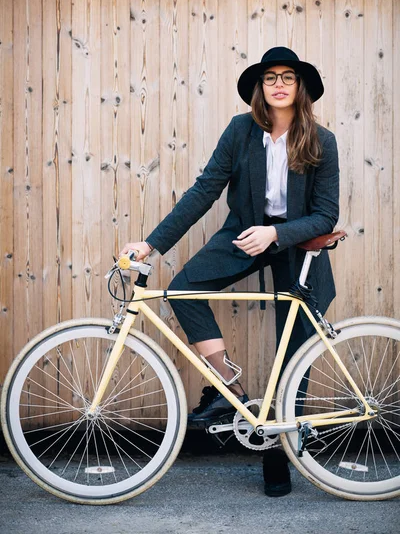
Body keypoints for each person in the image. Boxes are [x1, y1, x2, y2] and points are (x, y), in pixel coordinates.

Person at [121, 46, 340, 496]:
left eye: (288, 77)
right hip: (243, 233)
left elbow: (326, 215)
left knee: (293, 347)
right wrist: (152, 243)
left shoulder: (322, 141)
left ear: (300, 88)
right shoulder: (241, 131)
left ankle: (280, 452)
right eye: (269, 78)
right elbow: (205, 190)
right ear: (261, 89)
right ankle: (228, 391)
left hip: (296, 243)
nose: (278, 84)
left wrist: (276, 235)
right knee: (183, 290)